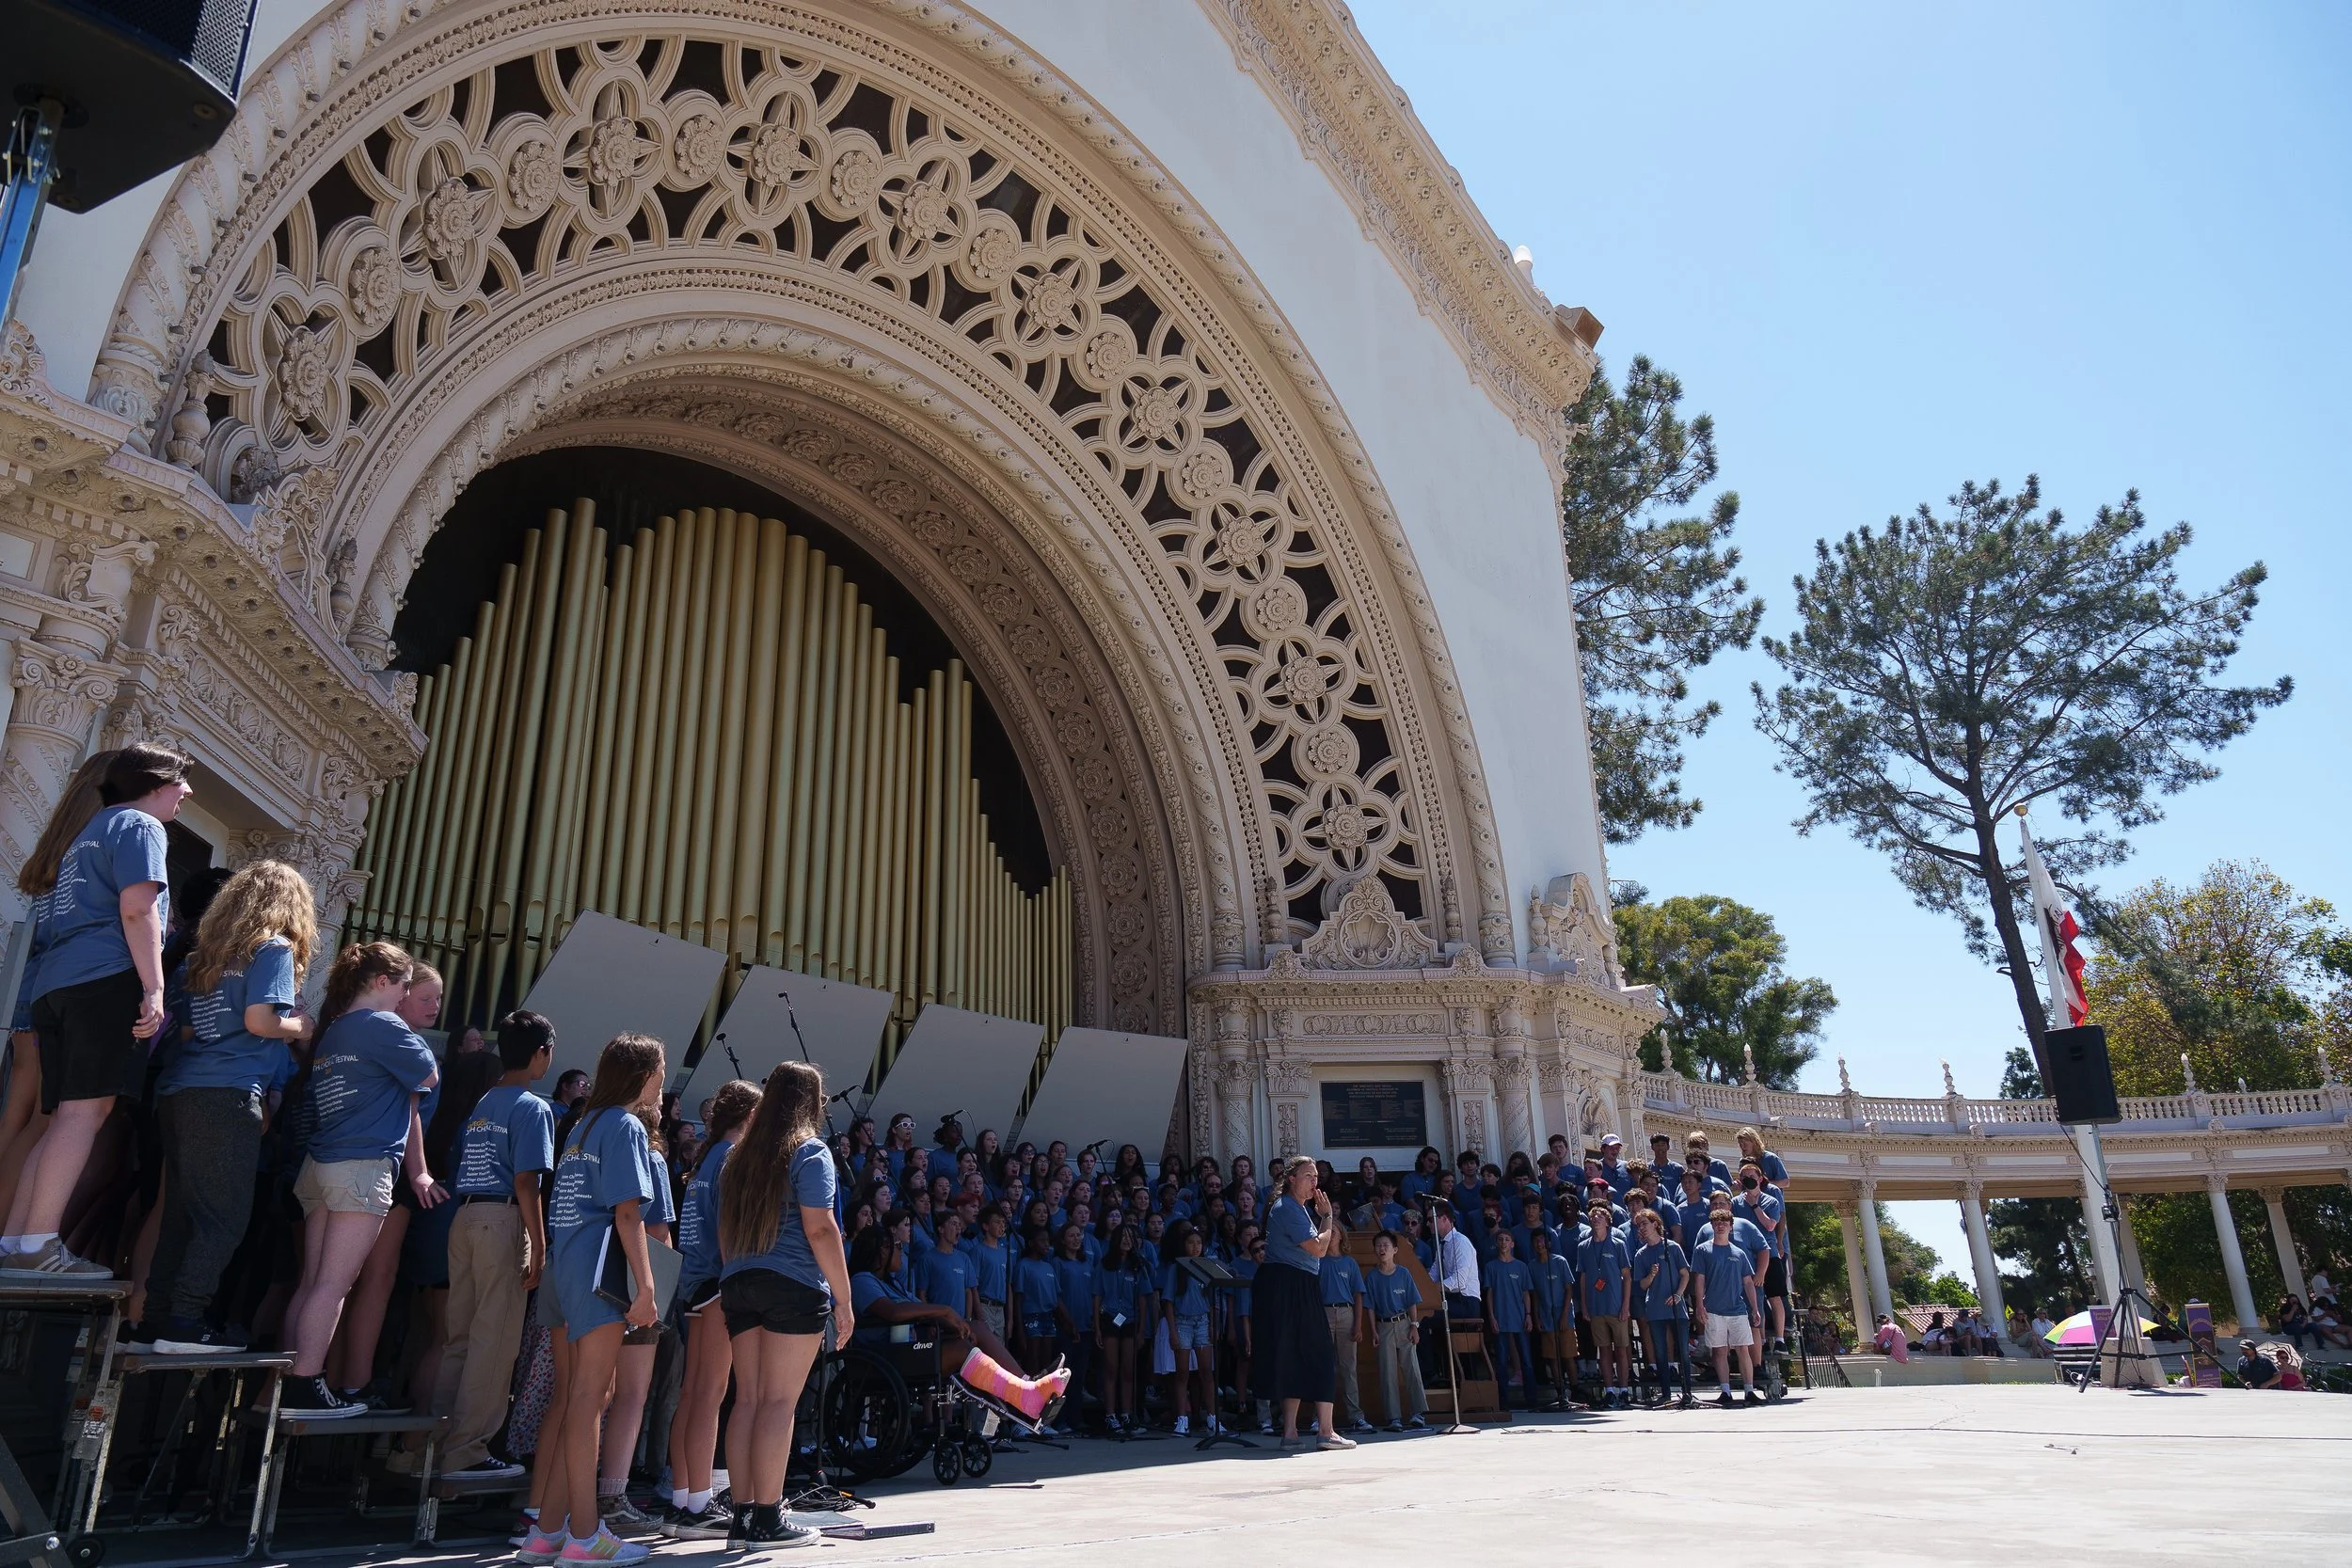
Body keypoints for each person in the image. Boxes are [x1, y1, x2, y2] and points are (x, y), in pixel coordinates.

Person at [3, 744, 190, 1280]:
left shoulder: (89, 830)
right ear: (154, 783)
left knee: (64, 1117)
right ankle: (39, 1244)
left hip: (56, 983)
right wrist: (155, 990)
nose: (187, 792)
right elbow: (137, 908)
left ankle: (17, 1243)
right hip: (104, 978)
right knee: (85, 1116)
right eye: (180, 780)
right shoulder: (141, 825)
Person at [129, 859, 315, 1350]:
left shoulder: (203, 957)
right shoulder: (272, 949)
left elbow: (187, 1031)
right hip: (227, 1095)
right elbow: (260, 1021)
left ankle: (156, 1319)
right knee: (224, 1219)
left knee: (182, 1216)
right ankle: (185, 1321)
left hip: (179, 1092)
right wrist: (301, 1026)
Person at [516, 1035, 665, 1565]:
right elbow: (628, 1215)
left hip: (563, 1268)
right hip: (597, 1277)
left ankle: (548, 1531)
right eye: (660, 1072)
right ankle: (586, 1537)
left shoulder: (583, 1124)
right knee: (588, 1402)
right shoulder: (624, 1125)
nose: (662, 1083)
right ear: (644, 1074)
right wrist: (647, 1289)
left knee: (579, 1400)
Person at [274, 942, 437, 1418]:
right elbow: (427, 1076)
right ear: (383, 982)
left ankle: (288, 1383)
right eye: (406, 985)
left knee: (311, 1284)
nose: (408, 996)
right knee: (333, 1287)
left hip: (319, 1165)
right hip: (361, 1166)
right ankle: (305, 1385)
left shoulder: (335, 1028)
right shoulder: (382, 1024)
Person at [705, 1060, 850, 1552]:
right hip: (793, 1283)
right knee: (779, 1403)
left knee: (747, 1400)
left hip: (739, 1281)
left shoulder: (738, 1157)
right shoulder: (810, 1150)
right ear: (813, 1103)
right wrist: (845, 1301)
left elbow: (724, 1233)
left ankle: (743, 1516)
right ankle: (768, 1517)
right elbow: (821, 1228)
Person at [434, 1010, 556, 1482]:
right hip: (502, 1217)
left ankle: (435, 1440)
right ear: (541, 1051)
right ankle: (467, 1449)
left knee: (459, 1339)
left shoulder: (485, 1100)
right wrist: (540, 1247)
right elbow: (527, 1180)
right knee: (496, 1340)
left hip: (464, 1215)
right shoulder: (534, 1105)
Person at [1254, 1155, 1350, 1450]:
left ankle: (1292, 1433)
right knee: (1320, 1353)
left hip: (1292, 1283)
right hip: (1291, 1283)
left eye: (1317, 1177)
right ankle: (1325, 1431)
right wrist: (1328, 1216)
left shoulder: (1295, 1207)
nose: (1314, 1182)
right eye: (1309, 1176)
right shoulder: (1288, 1207)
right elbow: (1320, 1248)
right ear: (1291, 1179)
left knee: (1293, 1355)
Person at [1692, 1209, 1763, 1405]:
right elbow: (1699, 1279)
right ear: (1712, 1226)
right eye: (1717, 1222)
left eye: (1725, 1222)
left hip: (1737, 1309)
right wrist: (1699, 1305)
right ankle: (1726, 1391)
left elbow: (1748, 1282)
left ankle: (1749, 1390)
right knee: (1720, 1350)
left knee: (1743, 1349)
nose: (1721, 1225)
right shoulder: (1702, 1250)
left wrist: (1755, 1308)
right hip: (1713, 1309)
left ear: (1731, 1227)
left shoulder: (1739, 1253)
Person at [1361, 1230, 1424, 1430]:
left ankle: (1418, 1413)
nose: (1382, 1249)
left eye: (1386, 1246)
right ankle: (1394, 1418)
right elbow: (1369, 1307)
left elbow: (1412, 1302)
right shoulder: (1372, 1276)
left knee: (1411, 1369)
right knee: (1387, 1373)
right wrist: (1374, 1331)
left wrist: (1415, 1326)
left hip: (1404, 1323)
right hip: (1384, 1325)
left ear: (1395, 1250)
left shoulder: (1404, 1273)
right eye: (1378, 1245)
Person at [1631, 1208, 1692, 1409]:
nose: (1642, 1228)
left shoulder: (1672, 1247)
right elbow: (1641, 1285)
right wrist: (1651, 1275)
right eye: (1639, 1225)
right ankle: (1665, 1393)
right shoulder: (1641, 1254)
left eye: (1645, 1223)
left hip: (1676, 1308)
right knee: (1660, 1352)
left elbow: (1685, 1274)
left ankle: (1687, 1392)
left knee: (1682, 1351)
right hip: (1655, 1308)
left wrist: (1678, 1294)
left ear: (1655, 1223)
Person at [1093, 1224, 1151, 1435]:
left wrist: (1142, 1329)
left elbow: (1144, 1299)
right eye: (1123, 1236)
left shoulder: (1138, 1266)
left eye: (1132, 1237)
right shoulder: (1104, 1264)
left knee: (1128, 1370)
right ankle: (1110, 1416)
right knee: (1111, 1368)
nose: (1127, 1240)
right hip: (1109, 1318)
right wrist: (1097, 1328)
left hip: (1130, 1320)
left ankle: (1126, 1414)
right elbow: (1097, 1295)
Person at [1162, 1222, 1218, 1435]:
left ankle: (1213, 1418)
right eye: (1191, 1243)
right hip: (1182, 1322)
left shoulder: (1206, 1267)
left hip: (1203, 1321)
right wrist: (1173, 1332)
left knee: (1207, 1372)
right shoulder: (1176, 1268)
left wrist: (1213, 1324)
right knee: (1182, 1373)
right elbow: (1167, 1302)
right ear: (1183, 1245)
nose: (1195, 1247)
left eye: (1199, 1243)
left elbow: (1212, 1301)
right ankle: (1182, 1418)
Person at [1577, 1200, 1633, 1409]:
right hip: (1595, 1306)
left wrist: (1625, 1305)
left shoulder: (1618, 1244)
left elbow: (1626, 1276)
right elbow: (1582, 1277)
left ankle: (1624, 1390)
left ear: (1608, 1221)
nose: (1596, 1219)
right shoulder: (1583, 1246)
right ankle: (1609, 1391)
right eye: (1593, 1216)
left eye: (1600, 1216)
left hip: (1616, 1305)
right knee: (1603, 1350)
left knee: (1621, 1349)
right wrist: (1584, 1305)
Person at [1485, 1228, 1534, 1411]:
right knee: (1502, 1362)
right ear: (1497, 1243)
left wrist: (1528, 1315)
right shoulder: (1491, 1267)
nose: (1504, 1242)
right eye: (1501, 1239)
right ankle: (1502, 1401)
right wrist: (1491, 1317)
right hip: (1500, 1318)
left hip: (1520, 1319)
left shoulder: (1521, 1266)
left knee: (1527, 1361)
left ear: (1512, 1244)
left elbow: (1526, 1293)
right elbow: (1489, 1293)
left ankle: (1531, 1399)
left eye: (1507, 1239)